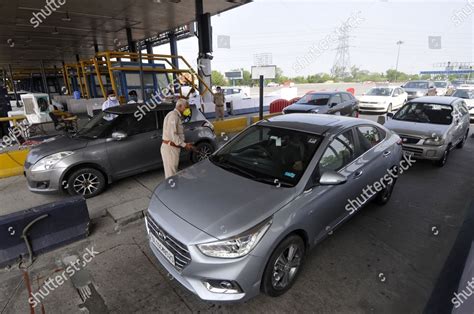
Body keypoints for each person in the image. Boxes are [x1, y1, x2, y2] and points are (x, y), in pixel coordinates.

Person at [161, 98, 195, 178]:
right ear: (180, 106)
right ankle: (171, 189)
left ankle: (172, 188)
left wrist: (185, 144)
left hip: (173, 148)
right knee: (171, 175)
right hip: (170, 148)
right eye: (186, 107)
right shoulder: (173, 116)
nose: (187, 109)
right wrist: (184, 145)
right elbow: (172, 135)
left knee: (172, 172)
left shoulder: (176, 116)